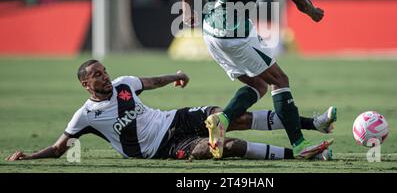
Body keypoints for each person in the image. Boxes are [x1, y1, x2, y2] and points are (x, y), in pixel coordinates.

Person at [180, 0, 333, 160]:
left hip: (210, 32)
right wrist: (313, 11)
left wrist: (186, 9)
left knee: (258, 84)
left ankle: (223, 120)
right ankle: (299, 144)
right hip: (234, 36)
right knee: (279, 80)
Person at [5, 59, 336, 162]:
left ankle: (313, 125)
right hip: (163, 148)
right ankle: (302, 155)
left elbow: (151, 81)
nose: (104, 75)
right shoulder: (85, 116)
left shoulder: (123, 84)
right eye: (97, 75)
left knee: (227, 116)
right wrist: (30, 157)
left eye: (104, 70)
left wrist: (177, 76)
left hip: (172, 119)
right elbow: (60, 148)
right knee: (227, 149)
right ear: (85, 84)